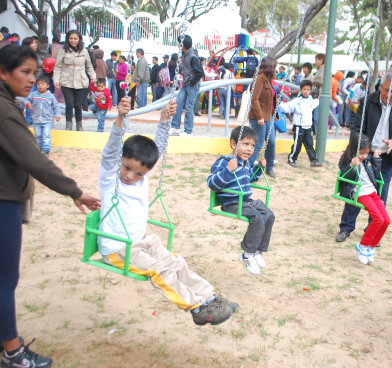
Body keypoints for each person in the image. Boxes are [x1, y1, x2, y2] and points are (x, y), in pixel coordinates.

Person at [0, 43, 100, 368]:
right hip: (3, 202)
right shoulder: (4, 111)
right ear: (3, 72)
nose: (32, 79)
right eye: (24, 73)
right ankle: (13, 354)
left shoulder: (8, 103)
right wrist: (74, 190)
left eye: (35, 73)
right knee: (5, 281)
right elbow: (34, 160)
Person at [99, 96, 239, 325]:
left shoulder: (140, 179)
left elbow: (158, 149)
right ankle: (197, 308)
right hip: (118, 247)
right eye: (126, 168)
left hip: (141, 240)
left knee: (176, 262)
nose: (129, 176)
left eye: (138, 173)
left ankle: (210, 297)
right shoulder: (110, 176)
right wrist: (121, 118)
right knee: (159, 270)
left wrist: (165, 120)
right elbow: (111, 150)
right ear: (120, 161)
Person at [207, 126, 275, 275]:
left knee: (269, 215)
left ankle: (258, 251)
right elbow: (212, 183)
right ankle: (247, 255)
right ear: (233, 144)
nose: (249, 149)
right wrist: (227, 170)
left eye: (252, 146)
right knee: (257, 218)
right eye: (245, 144)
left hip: (245, 200)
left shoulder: (245, 163)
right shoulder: (225, 161)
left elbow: (250, 178)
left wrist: (259, 169)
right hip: (231, 203)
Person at [350, 72, 392, 207]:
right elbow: (356, 127)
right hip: (364, 154)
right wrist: (359, 149)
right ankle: (346, 227)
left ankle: (373, 226)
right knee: (357, 189)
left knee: (380, 196)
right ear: (380, 87)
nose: (388, 94)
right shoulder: (368, 100)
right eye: (386, 90)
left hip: (386, 157)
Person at [337, 134, 388, 264]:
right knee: (378, 218)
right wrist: (351, 166)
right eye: (362, 153)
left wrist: (376, 159)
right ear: (354, 149)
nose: (364, 156)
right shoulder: (347, 159)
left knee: (386, 220)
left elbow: (375, 173)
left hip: (371, 191)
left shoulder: (367, 159)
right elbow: (343, 176)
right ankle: (363, 245)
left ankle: (371, 247)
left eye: (366, 153)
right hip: (359, 192)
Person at [53, 29, 96, 131]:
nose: (73, 40)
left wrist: (93, 76)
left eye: (75, 38)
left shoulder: (84, 51)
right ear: (68, 39)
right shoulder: (63, 50)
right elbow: (58, 66)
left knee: (78, 105)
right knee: (69, 104)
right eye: (71, 38)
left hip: (81, 82)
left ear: (79, 39)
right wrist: (56, 79)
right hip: (66, 81)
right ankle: (68, 126)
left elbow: (89, 66)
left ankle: (79, 126)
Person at [279, 79, 322, 168]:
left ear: (310, 90)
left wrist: (318, 99)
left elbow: (314, 104)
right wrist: (279, 103)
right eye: (304, 89)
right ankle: (292, 158)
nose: (306, 91)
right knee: (297, 144)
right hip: (299, 126)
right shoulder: (297, 100)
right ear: (301, 90)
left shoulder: (310, 100)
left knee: (309, 143)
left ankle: (313, 160)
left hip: (308, 126)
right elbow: (287, 107)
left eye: (308, 90)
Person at [247, 56, 277, 178]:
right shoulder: (260, 78)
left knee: (271, 142)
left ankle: (269, 168)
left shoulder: (268, 80)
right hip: (258, 116)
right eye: (274, 66)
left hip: (268, 115)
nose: (275, 69)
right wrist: (259, 117)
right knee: (258, 144)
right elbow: (254, 99)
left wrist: (275, 113)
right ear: (269, 67)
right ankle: (246, 169)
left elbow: (271, 98)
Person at [170, 36, 204, 136]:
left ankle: (188, 131)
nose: (177, 45)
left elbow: (200, 72)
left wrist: (192, 81)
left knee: (189, 107)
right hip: (185, 84)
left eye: (179, 43)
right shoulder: (184, 55)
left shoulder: (192, 56)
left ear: (182, 45)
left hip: (192, 85)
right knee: (178, 103)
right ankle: (175, 127)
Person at [24, 75, 61, 156]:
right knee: (38, 135)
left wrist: (57, 114)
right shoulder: (33, 94)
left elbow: (56, 106)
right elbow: (26, 99)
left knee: (46, 135)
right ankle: (39, 147)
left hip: (47, 120)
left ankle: (46, 150)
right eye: (38, 84)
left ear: (48, 85)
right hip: (36, 120)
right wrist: (27, 103)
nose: (40, 86)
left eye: (42, 84)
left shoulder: (50, 96)